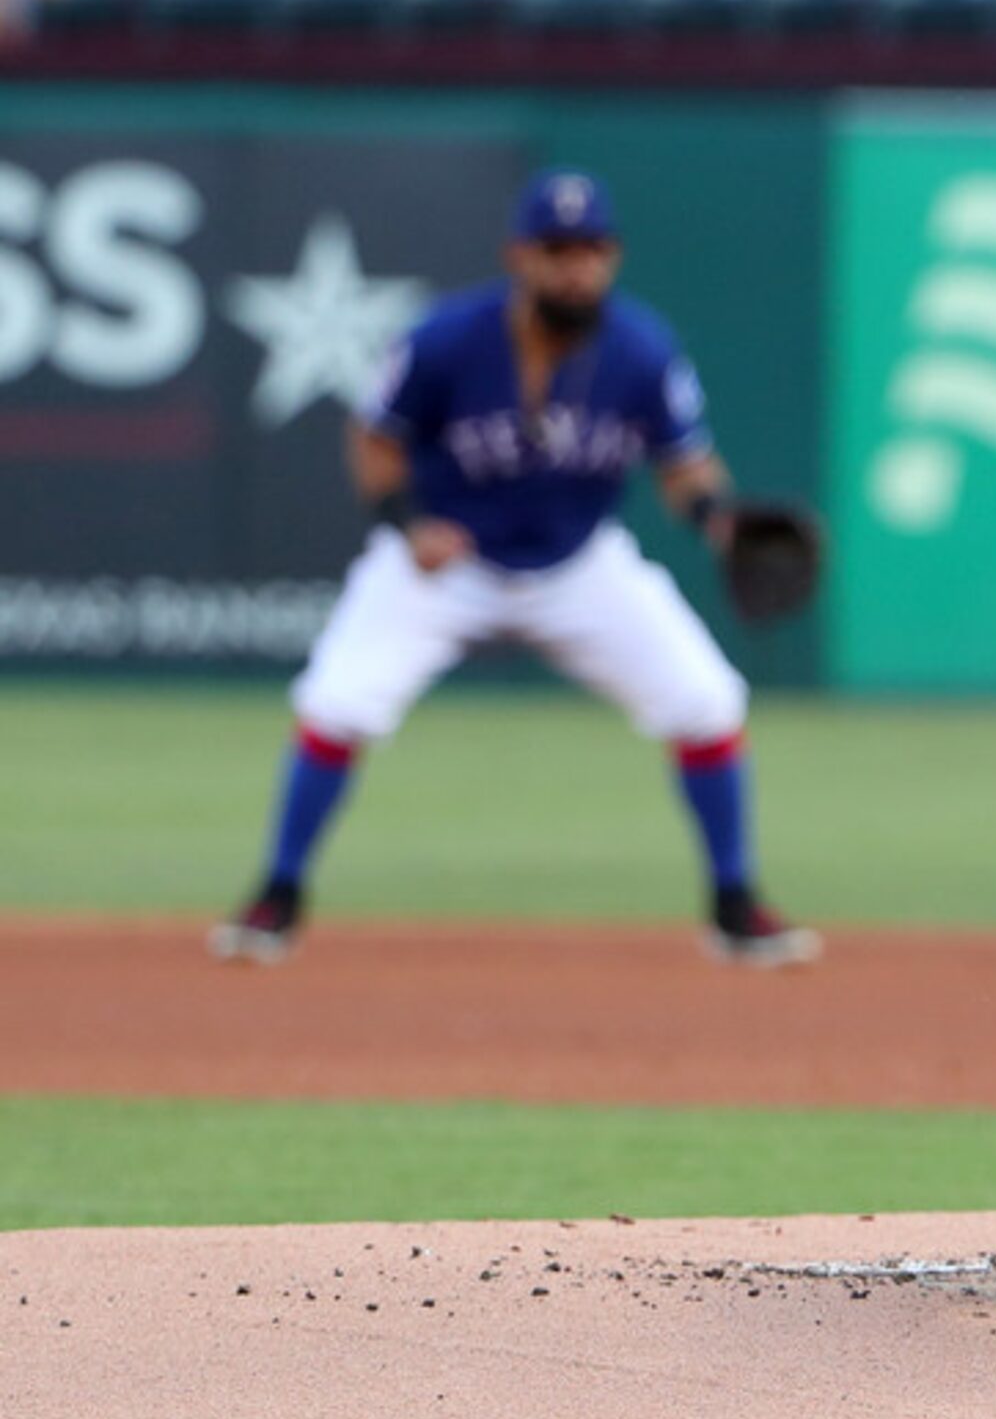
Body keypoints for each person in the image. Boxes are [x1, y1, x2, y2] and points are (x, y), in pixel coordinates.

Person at [213, 171, 817, 970]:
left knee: (707, 703)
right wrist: (406, 525)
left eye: (592, 249)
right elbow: (374, 439)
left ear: (613, 256)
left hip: (577, 563)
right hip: (446, 564)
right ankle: (278, 895)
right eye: (557, 249)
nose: (576, 267)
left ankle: (735, 906)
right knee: (338, 704)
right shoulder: (446, 339)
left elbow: (685, 464)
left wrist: (715, 517)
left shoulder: (641, 349)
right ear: (519, 256)